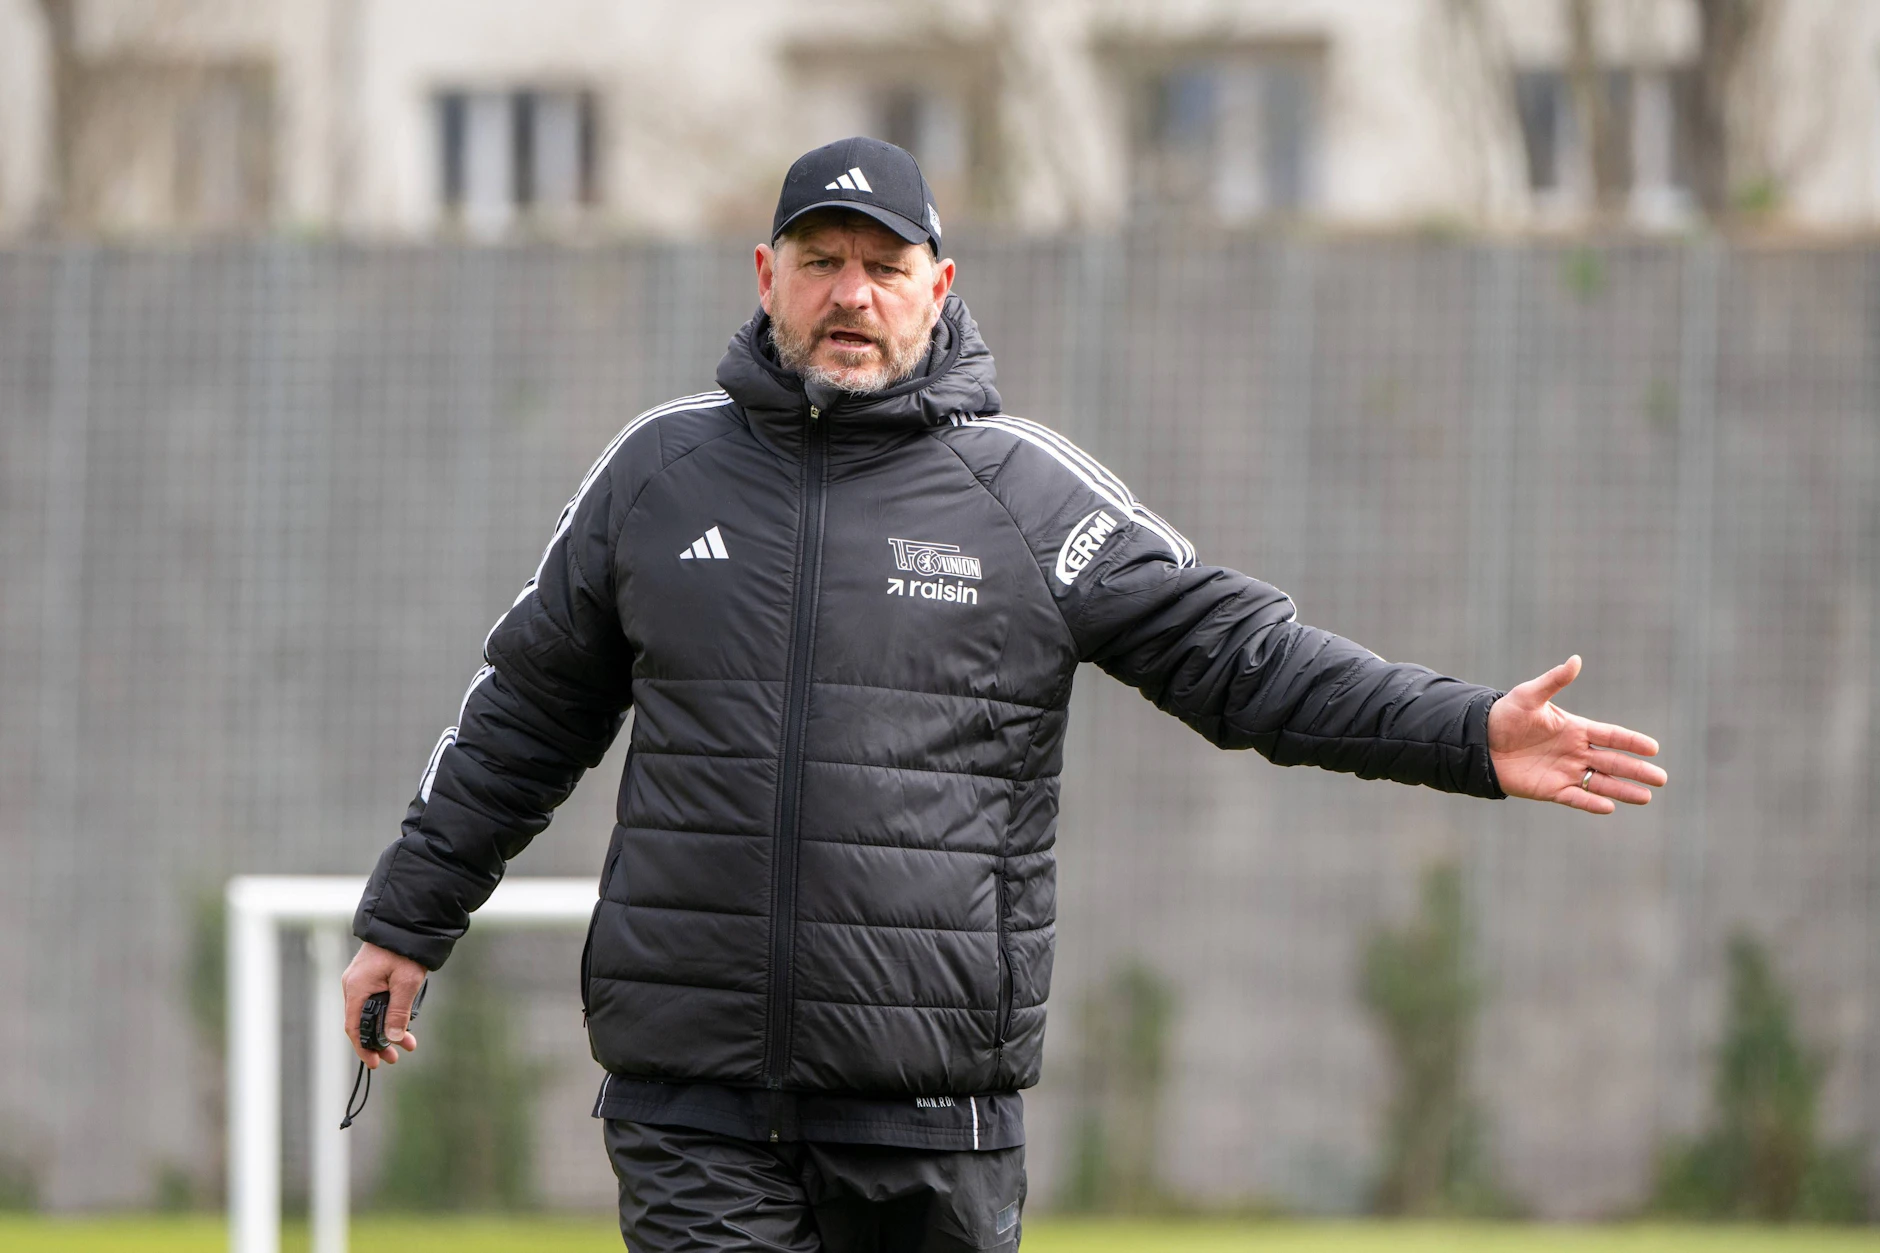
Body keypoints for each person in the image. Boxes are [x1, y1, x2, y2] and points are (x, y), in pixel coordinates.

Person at [342, 137, 1666, 1251]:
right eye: (821, 262)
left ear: (939, 287)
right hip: (693, 1108)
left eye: (882, 264)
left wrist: (1466, 734)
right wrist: (407, 919)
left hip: (933, 1120)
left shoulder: (1026, 495)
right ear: (767, 278)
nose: (850, 293)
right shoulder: (657, 475)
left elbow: (1246, 661)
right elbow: (522, 716)